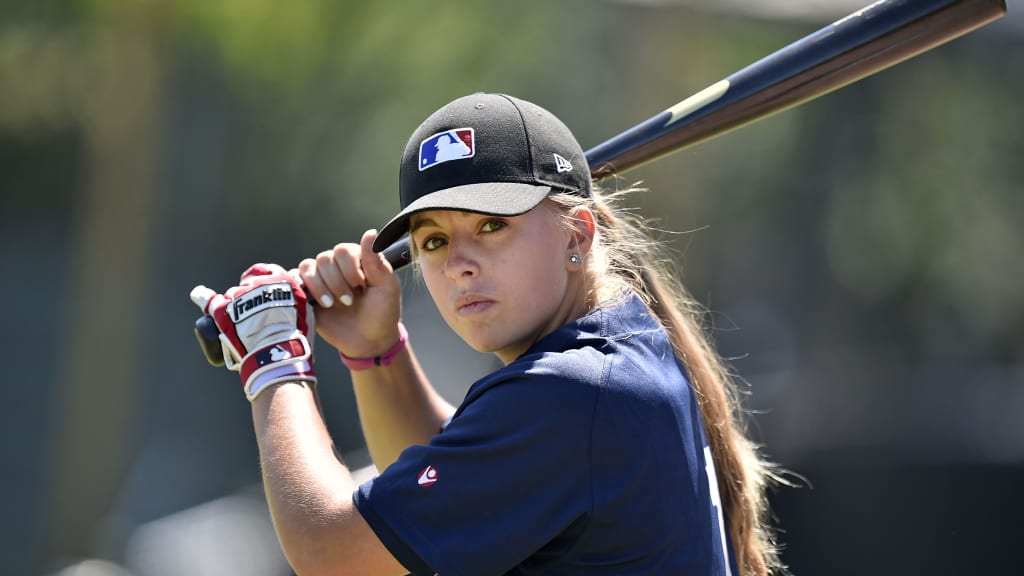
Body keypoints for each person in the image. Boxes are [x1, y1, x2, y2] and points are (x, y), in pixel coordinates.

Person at [191, 93, 787, 575]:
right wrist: (377, 353)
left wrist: (275, 359)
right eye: (435, 240)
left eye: (493, 225)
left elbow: (332, 552)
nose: (459, 264)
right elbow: (457, 497)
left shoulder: (573, 391)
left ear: (577, 236)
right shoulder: (623, 346)